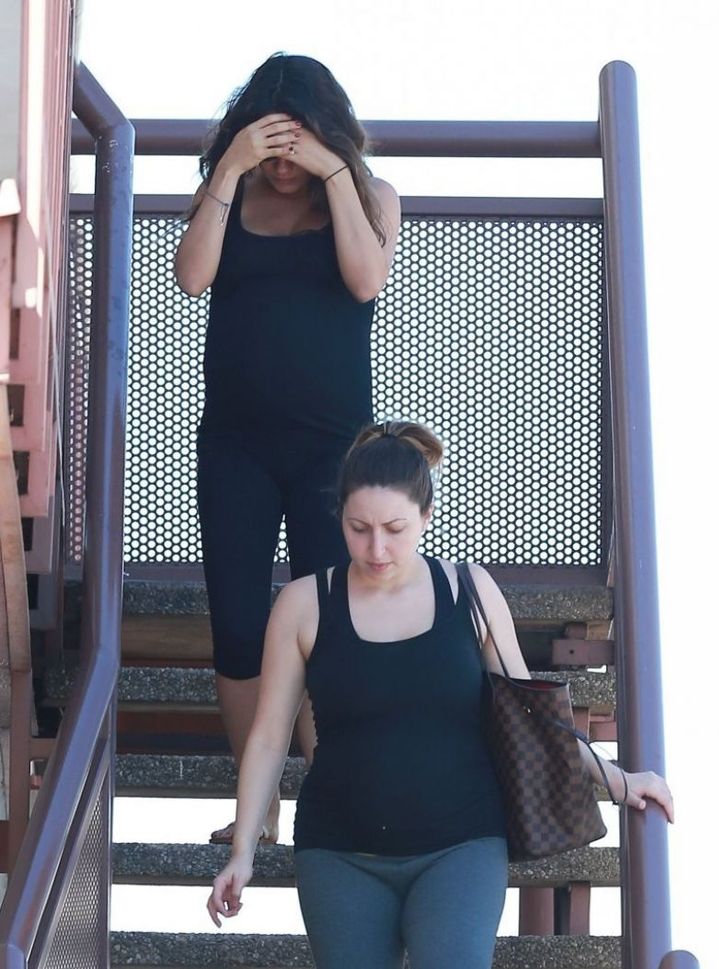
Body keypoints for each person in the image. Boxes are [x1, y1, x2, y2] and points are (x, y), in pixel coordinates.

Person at [206, 420, 674, 969]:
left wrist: (619, 779)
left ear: (426, 517)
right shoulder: (304, 604)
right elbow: (266, 738)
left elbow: (530, 713)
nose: (376, 547)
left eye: (394, 528)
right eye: (358, 528)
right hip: (339, 853)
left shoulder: (469, 590)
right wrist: (243, 851)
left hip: (461, 846)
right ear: (340, 519)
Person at [175, 53, 400, 844]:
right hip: (234, 444)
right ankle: (258, 802)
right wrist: (231, 165)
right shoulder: (229, 195)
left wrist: (336, 174)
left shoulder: (371, 197)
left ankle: (335, 797)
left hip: (330, 454)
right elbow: (191, 276)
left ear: (326, 139)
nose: (280, 164)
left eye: (292, 147)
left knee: (327, 621)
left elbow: (366, 280)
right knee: (238, 624)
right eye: (267, 145)